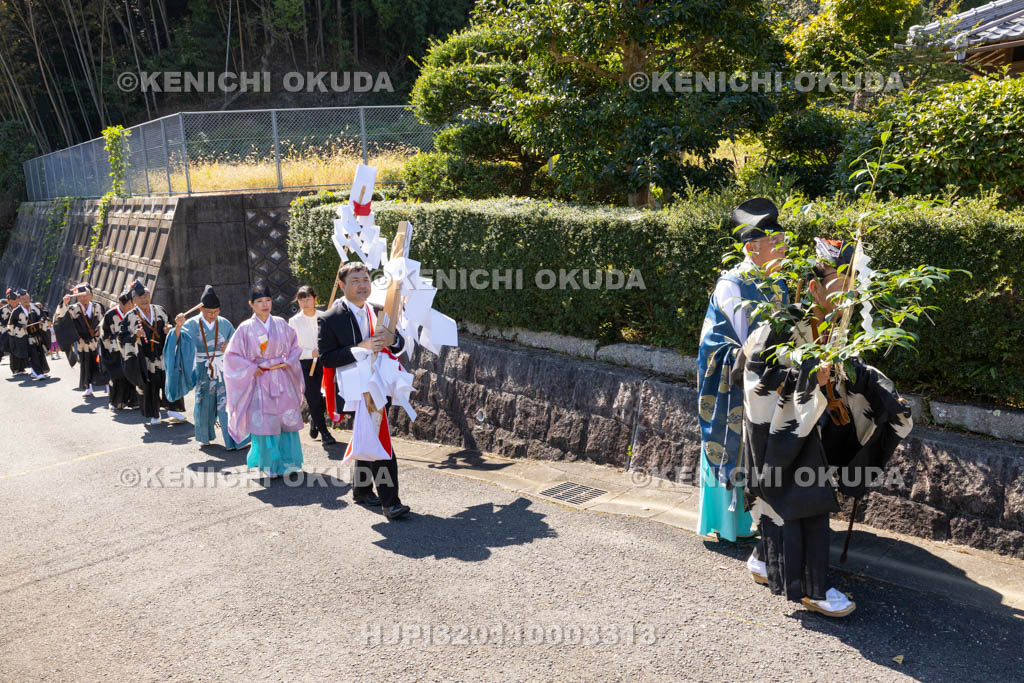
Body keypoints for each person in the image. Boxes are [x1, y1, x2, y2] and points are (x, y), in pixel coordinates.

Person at [740, 238, 913, 617]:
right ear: (816, 286)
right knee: (807, 500)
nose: (849, 291)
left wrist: (883, 392)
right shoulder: (782, 324)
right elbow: (756, 375)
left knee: (799, 499)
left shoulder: (838, 325)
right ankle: (811, 589)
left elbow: (852, 372)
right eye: (841, 281)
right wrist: (805, 377)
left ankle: (764, 559)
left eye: (854, 283)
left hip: (817, 425)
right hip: (785, 428)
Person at [696, 197, 788, 582]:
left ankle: (757, 518)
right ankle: (727, 523)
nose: (784, 245)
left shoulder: (782, 279)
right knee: (736, 451)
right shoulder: (732, 284)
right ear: (752, 247)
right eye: (776, 240)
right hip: (731, 382)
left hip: (766, 377)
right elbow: (745, 339)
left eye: (784, 237)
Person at [318, 262, 410, 520]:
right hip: (356, 389)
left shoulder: (380, 311)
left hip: (382, 384)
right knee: (379, 440)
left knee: (367, 434)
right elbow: (327, 358)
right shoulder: (330, 318)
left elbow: (398, 343)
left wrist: (393, 341)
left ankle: (361, 491)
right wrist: (362, 347)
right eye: (355, 280)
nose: (362, 285)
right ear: (341, 285)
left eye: (366, 279)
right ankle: (390, 502)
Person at [224, 282, 305, 478]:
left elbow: (295, 346)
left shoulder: (280, 323)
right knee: (265, 422)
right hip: (260, 381)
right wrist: (252, 368)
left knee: (286, 420)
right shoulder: (245, 328)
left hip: (281, 378)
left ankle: (288, 462)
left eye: (267, 300)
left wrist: (289, 361)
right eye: (259, 301)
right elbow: (231, 355)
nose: (264, 305)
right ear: (251, 304)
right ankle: (268, 464)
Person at [165, 285, 249, 450]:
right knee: (203, 403)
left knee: (228, 404)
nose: (213, 315)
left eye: (216, 312)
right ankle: (203, 436)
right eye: (210, 312)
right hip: (203, 367)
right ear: (201, 309)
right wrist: (178, 327)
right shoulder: (191, 324)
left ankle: (236, 440)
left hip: (223, 367)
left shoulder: (224, 323)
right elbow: (177, 341)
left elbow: (238, 343)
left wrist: (230, 346)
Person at [119, 281, 186, 425]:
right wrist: (135, 335)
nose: (144, 299)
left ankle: (173, 409)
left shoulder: (160, 310)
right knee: (151, 386)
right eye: (140, 296)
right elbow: (121, 338)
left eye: (147, 295)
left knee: (169, 381)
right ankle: (155, 414)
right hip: (145, 357)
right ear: (134, 299)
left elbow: (171, 327)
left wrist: (169, 330)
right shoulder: (130, 317)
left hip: (163, 353)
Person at [289, 285, 336, 445]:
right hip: (305, 364)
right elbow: (293, 347)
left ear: (315, 299)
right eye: (302, 299)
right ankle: (324, 432)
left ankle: (314, 419)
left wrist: (324, 350)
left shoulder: (325, 316)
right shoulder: (294, 321)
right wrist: (310, 352)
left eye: (308, 298)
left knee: (326, 397)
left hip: (325, 362)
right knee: (313, 398)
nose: (305, 301)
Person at [54, 283, 107, 396]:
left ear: (91, 295)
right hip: (82, 342)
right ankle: (88, 387)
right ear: (77, 297)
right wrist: (64, 303)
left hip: (96, 340)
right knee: (85, 364)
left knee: (101, 362)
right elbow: (60, 316)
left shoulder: (97, 306)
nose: (84, 298)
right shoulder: (73, 308)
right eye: (81, 296)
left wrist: (100, 330)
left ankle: (107, 385)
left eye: (86, 295)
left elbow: (104, 321)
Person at [101, 288, 139, 410]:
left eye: (132, 303)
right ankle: (116, 401)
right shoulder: (110, 315)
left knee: (133, 374)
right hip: (115, 351)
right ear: (121, 303)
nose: (131, 306)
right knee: (118, 377)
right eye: (129, 304)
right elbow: (104, 335)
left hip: (132, 349)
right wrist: (115, 343)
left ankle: (134, 401)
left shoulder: (135, 314)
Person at [7, 288, 51, 380]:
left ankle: (36, 372)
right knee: (33, 354)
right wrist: (20, 326)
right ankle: (38, 373)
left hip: (37, 335)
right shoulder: (16, 311)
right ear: (18, 300)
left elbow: (43, 316)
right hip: (25, 337)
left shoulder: (35, 307)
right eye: (23, 299)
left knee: (39, 353)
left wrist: (42, 321)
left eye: (27, 298)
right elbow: (10, 325)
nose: (26, 300)